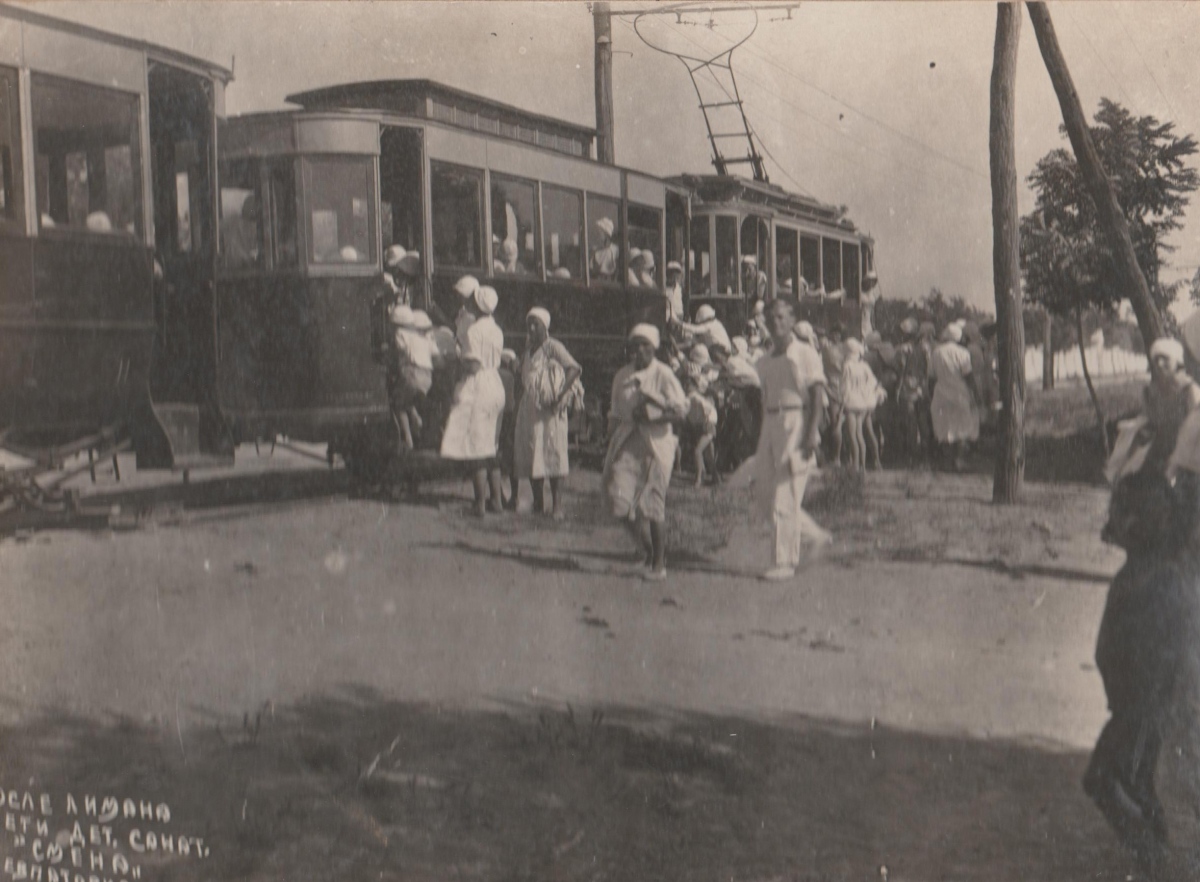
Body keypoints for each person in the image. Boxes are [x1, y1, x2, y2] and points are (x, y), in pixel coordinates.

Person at [752, 299, 831, 581]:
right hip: (770, 423)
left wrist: (811, 432)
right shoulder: (765, 358)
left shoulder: (805, 353)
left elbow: (818, 394)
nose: (776, 323)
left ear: (792, 319)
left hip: (796, 422)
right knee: (764, 494)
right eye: (771, 318)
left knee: (785, 495)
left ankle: (784, 561)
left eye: (781, 317)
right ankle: (815, 536)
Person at [603, 324, 687, 581]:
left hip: (657, 443)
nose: (640, 350)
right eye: (636, 345)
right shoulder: (622, 375)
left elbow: (681, 411)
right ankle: (647, 552)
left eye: (646, 345)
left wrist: (655, 416)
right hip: (628, 440)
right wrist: (609, 441)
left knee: (652, 505)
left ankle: (659, 565)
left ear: (655, 348)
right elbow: (615, 413)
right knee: (616, 498)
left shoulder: (663, 374)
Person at [441, 279, 507, 516]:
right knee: (492, 447)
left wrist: (456, 357)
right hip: (496, 384)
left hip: (479, 386)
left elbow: (473, 365)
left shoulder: (474, 330)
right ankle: (497, 501)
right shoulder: (497, 329)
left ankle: (479, 504)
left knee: (477, 449)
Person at [514, 307, 582, 520]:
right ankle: (538, 503)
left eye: (536, 324)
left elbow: (573, 368)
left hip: (550, 409)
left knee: (553, 452)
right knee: (534, 453)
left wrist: (559, 395)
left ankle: (557, 506)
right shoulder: (528, 349)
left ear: (546, 326)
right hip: (530, 408)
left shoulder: (552, 346)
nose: (532, 328)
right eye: (529, 325)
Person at [930, 323, 980, 471]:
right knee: (962, 427)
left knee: (945, 426)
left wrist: (930, 393)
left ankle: (948, 461)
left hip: (941, 392)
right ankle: (959, 460)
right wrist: (976, 393)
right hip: (959, 393)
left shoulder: (936, 352)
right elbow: (968, 376)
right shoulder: (962, 353)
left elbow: (931, 377)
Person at [389, 304, 434, 452]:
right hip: (427, 376)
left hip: (411, 372)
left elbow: (400, 351)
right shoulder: (421, 337)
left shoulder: (400, 333)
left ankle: (407, 439)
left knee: (398, 404)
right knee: (408, 399)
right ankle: (416, 418)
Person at [841, 337, 883, 471]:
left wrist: (842, 402)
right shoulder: (864, 366)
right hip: (864, 402)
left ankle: (856, 465)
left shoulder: (847, 366)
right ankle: (866, 465)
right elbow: (873, 383)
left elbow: (845, 387)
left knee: (852, 435)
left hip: (851, 402)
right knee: (862, 434)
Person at [498, 349, 519, 510]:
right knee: (511, 458)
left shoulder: (498, 374)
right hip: (510, 418)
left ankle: (498, 495)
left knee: (497, 457)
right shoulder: (512, 376)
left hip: (500, 418)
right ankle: (514, 496)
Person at [591, 217, 620, 281]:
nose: (597, 234)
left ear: (606, 234)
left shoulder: (616, 250)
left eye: (599, 232)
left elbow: (618, 270)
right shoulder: (595, 250)